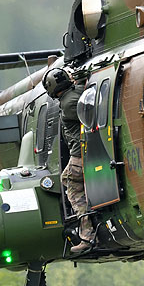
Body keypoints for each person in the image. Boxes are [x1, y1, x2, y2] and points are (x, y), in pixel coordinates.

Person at [43, 67, 95, 254]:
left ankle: (86, 235)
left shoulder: (67, 103)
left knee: (70, 181)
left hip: (79, 155)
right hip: (87, 152)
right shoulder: (79, 91)